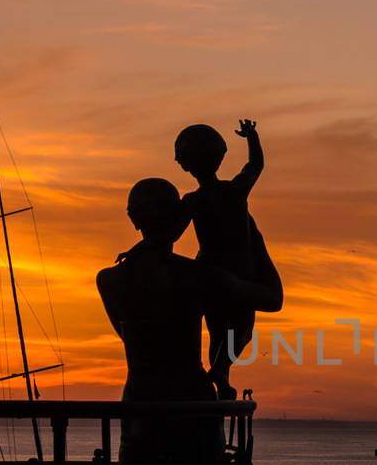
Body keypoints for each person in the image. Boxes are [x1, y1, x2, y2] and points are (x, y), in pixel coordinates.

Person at [97, 177, 275, 465]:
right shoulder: (196, 276)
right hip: (192, 410)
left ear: (132, 219)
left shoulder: (110, 280)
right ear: (179, 219)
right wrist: (247, 227)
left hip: (140, 411)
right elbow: (271, 297)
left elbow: (127, 332)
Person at [118, 119, 283, 400]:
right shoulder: (234, 190)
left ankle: (220, 373)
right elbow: (255, 165)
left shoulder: (193, 200)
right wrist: (252, 138)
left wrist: (138, 250)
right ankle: (220, 370)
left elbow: (170, 235)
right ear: (219, 157)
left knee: (218, 328)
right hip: (237, 270)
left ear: (184, 164)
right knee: (239, 329)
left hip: (211, 268)